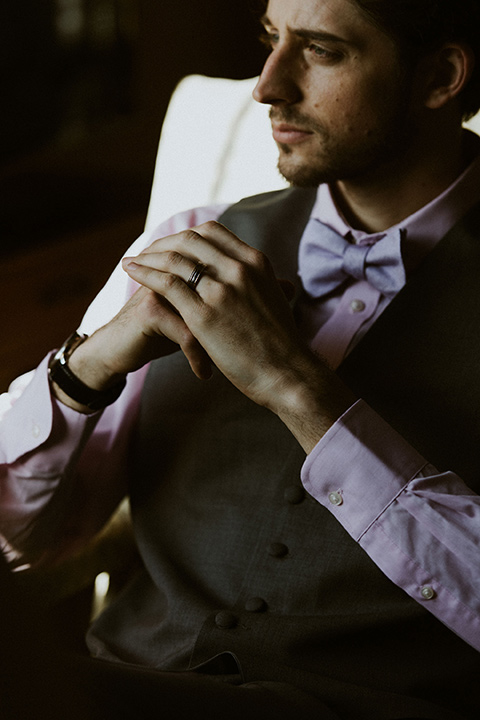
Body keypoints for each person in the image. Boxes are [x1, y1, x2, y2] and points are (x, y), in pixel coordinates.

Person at [2, 0, 480, 717]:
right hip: (122, 684)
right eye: (270, 40)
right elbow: (21, 537)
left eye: (320, 51)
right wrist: (84, 371)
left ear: (440, 76)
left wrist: (296, 388)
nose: (266, 85)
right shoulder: (192, 239)